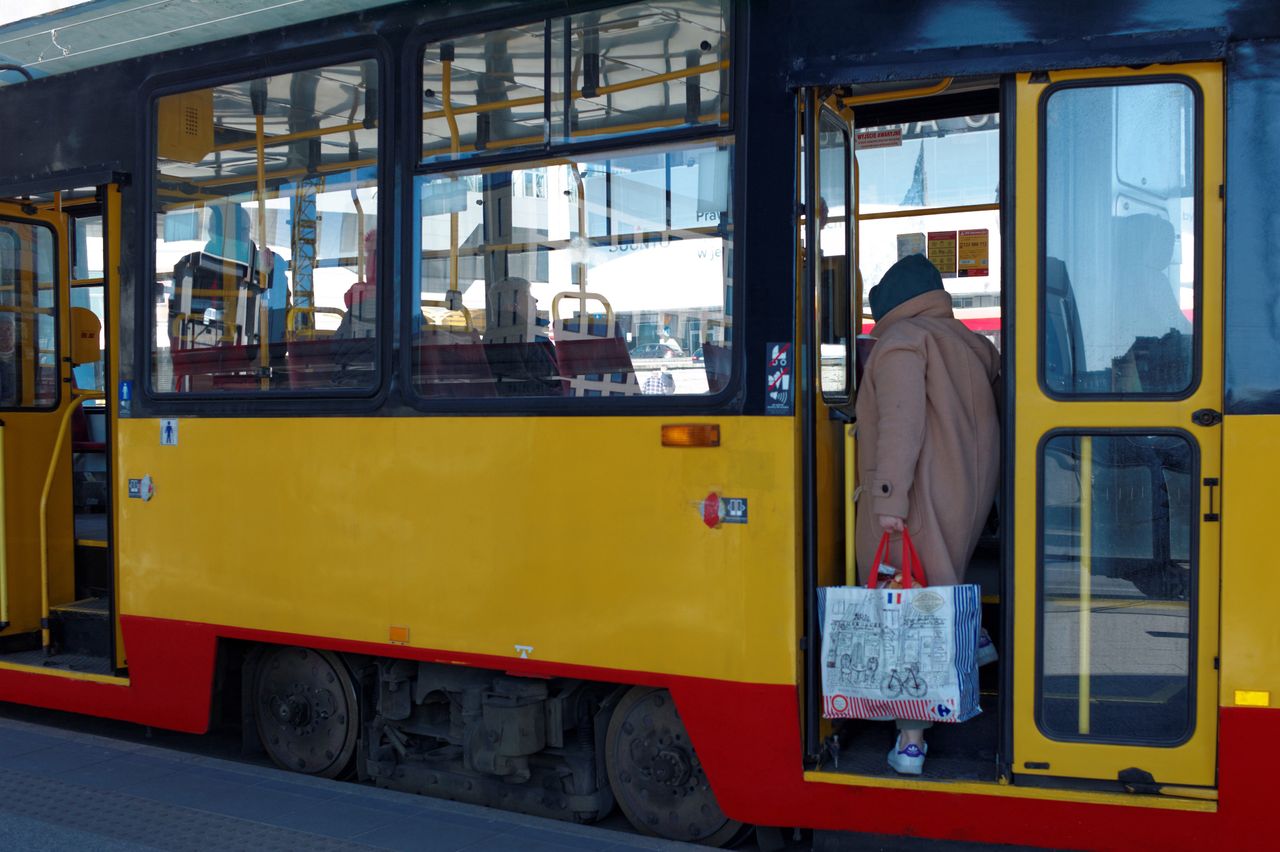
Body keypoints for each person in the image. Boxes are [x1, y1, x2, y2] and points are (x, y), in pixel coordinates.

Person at [854, 253, 1000, 776]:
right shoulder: (970, 344)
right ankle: (974, 635)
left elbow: (901, 423)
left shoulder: (901, 343)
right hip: (964, 492)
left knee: (903, 610)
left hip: (915, 500)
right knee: (940, 580)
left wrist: (888, 499)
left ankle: (911, 739)